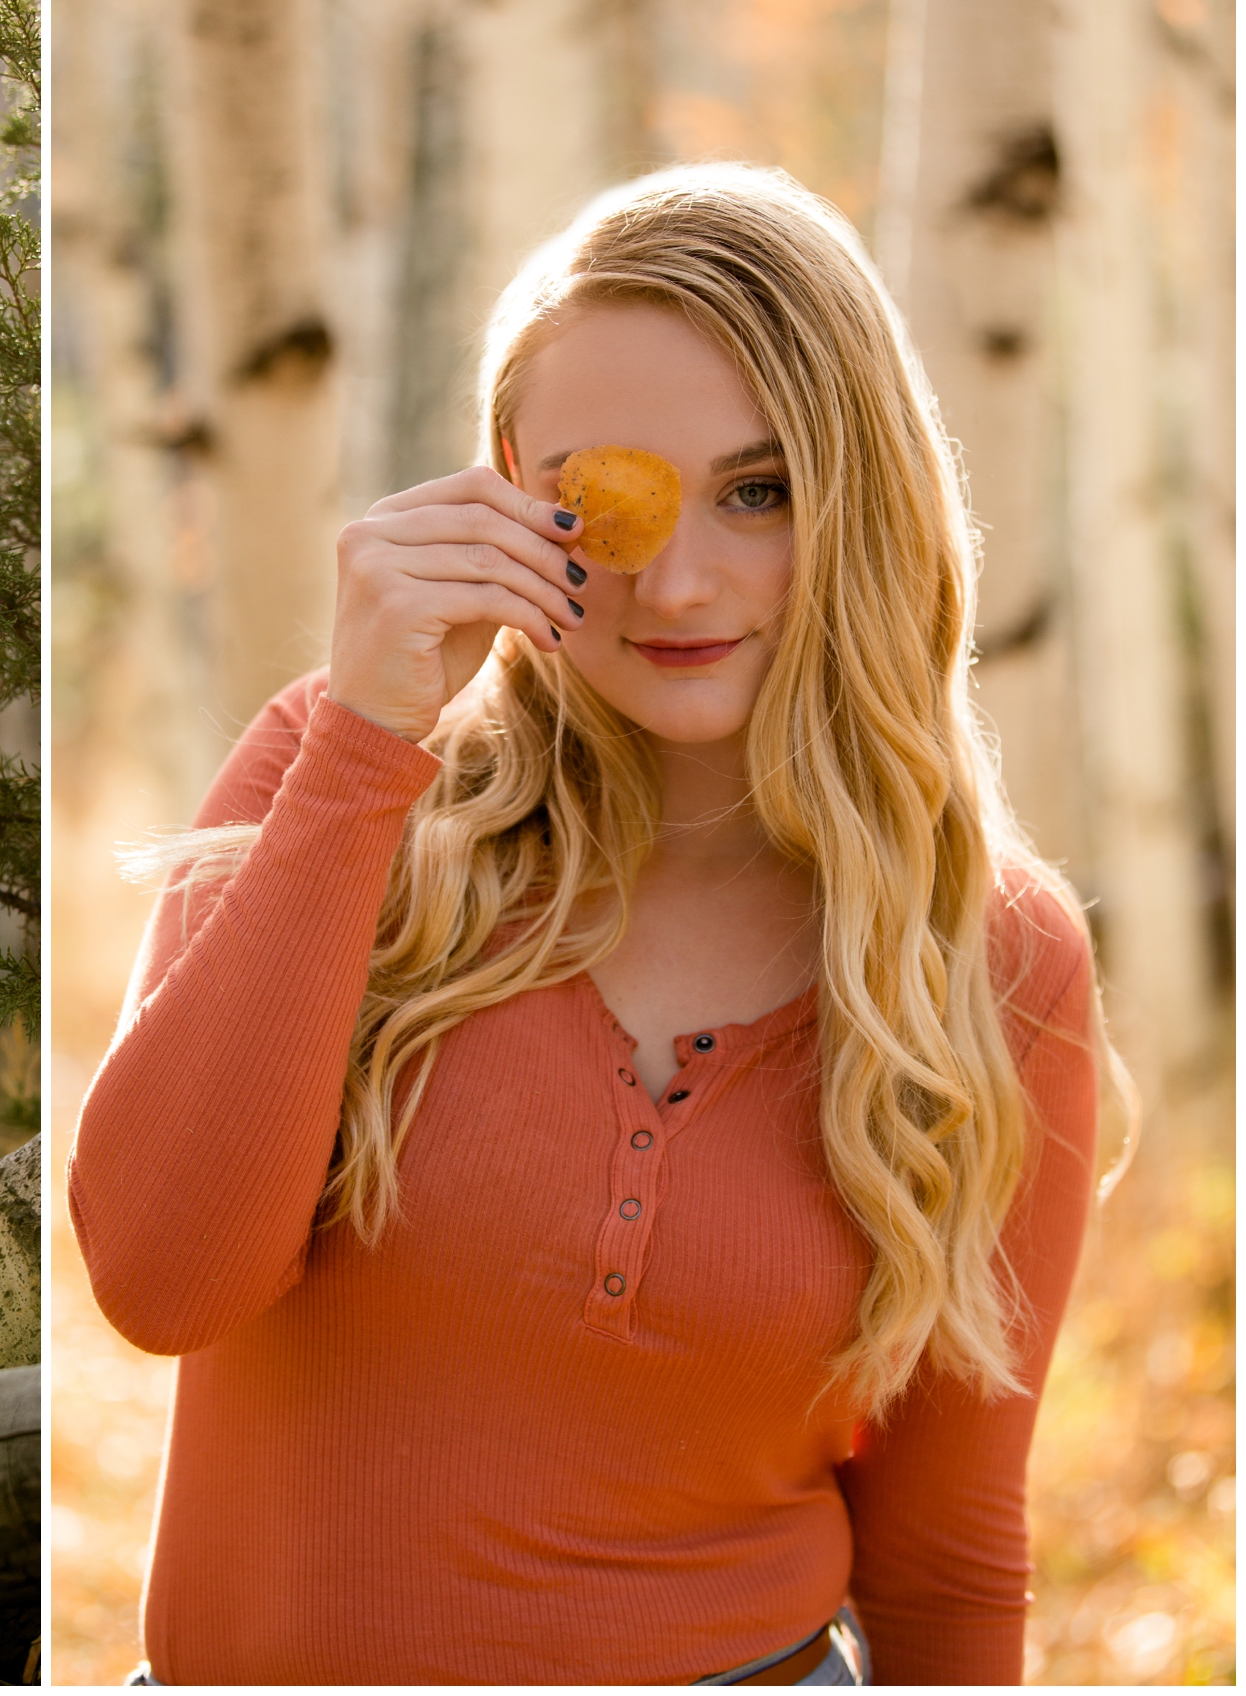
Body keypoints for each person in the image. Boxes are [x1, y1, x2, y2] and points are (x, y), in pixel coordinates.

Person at [68, 165, 1130, 1685]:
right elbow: (159, 1278)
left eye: (760, 492)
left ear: (863, 494)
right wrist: (369, 745)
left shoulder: (991, 952)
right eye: (606, 494)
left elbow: (949, 1562)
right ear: (509, 483)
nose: (679, 578)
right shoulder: (342, 780)